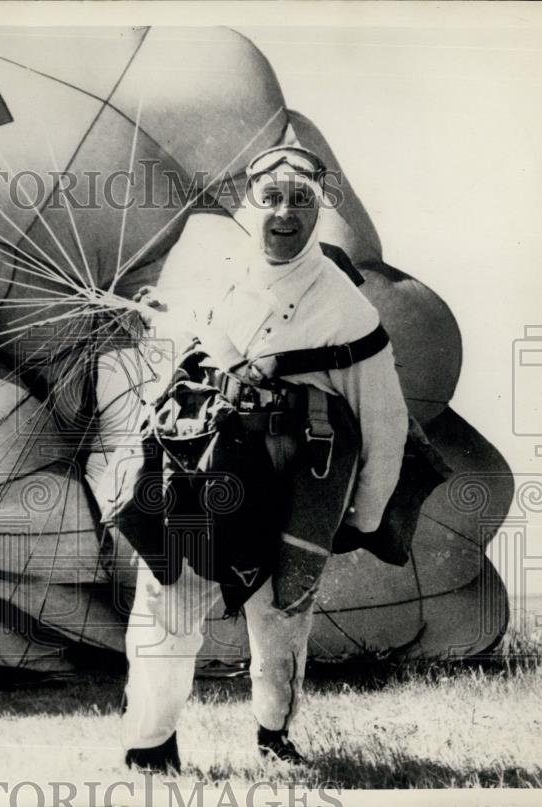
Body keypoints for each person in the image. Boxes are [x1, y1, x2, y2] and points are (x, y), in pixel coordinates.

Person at [118, 145, 410, 773]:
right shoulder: (214, 277)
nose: (285, 215)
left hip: (287, 488)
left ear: (319, 210)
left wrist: (361, 518)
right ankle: (149, 745)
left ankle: (273, 738)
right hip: (200, 472)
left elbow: (386, 424)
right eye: (272, 199)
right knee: (168, 599)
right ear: (251, 206)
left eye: (301, 201)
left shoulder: (348, 311)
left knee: (279, 620)